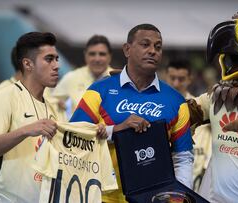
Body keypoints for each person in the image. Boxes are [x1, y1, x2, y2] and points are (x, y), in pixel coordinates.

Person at [70, 24, 194, 203]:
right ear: (127, 49)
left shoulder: (176, 101)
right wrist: (117, 130)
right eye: (145, 44)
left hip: (152, 199)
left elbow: (182, 158)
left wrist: (179, 198)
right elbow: (73, 137)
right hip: (100, 196)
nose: (153, 51)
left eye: (158, 47)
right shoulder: (99, 90)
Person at [0, 32, 60, 203]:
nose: (56, 65)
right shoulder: (6, 96)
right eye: (49, 59)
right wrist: (26, 130)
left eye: (57, 59)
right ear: (28, 64)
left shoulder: (52, 106)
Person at [165, 59, 212, 192]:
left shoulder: (201, 111)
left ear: (190, 79)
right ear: (165, 76)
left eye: (181, 79)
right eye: (172, 78)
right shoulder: (156, 110)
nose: (176, 83)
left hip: (196, 186)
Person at [53, 35, 114, 115]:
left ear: (110, 56)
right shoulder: (72, 77)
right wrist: (57, 105)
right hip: (78, 127)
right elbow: (52, 102)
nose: (97, 59)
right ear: (85, 55)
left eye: (102, 54)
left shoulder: (118, 79)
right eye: (92, 54)